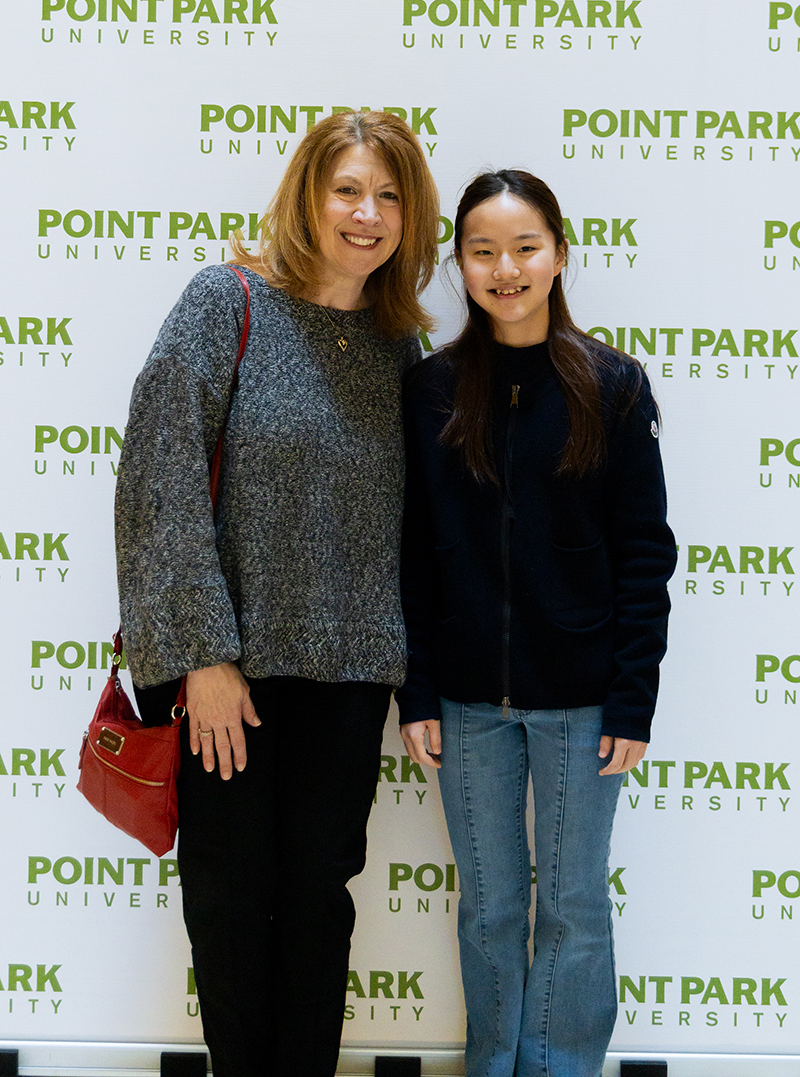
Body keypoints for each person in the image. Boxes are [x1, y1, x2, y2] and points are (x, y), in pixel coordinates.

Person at [114, 111, 439, 1077]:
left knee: (317, 900)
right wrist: (202, 657)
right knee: (225, 897)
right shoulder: (227, 301)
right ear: (308, 194)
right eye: (348, 190)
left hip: (346, 678)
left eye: (388, 197)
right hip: (231, 678)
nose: (367, 213)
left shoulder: (397, 345)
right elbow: (157, 477)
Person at [397, 170, 677, 1077]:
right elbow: (411, 556)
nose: (505, 268)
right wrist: (419, 692)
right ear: (461, 266)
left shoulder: (612, 386)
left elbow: (645, 552)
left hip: (585, 703)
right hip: (468, 704)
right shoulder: (432, 389)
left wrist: (632, 699)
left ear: (559, 254)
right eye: (483, 251)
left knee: (571, 903)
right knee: (488, 904)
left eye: (524, 248)